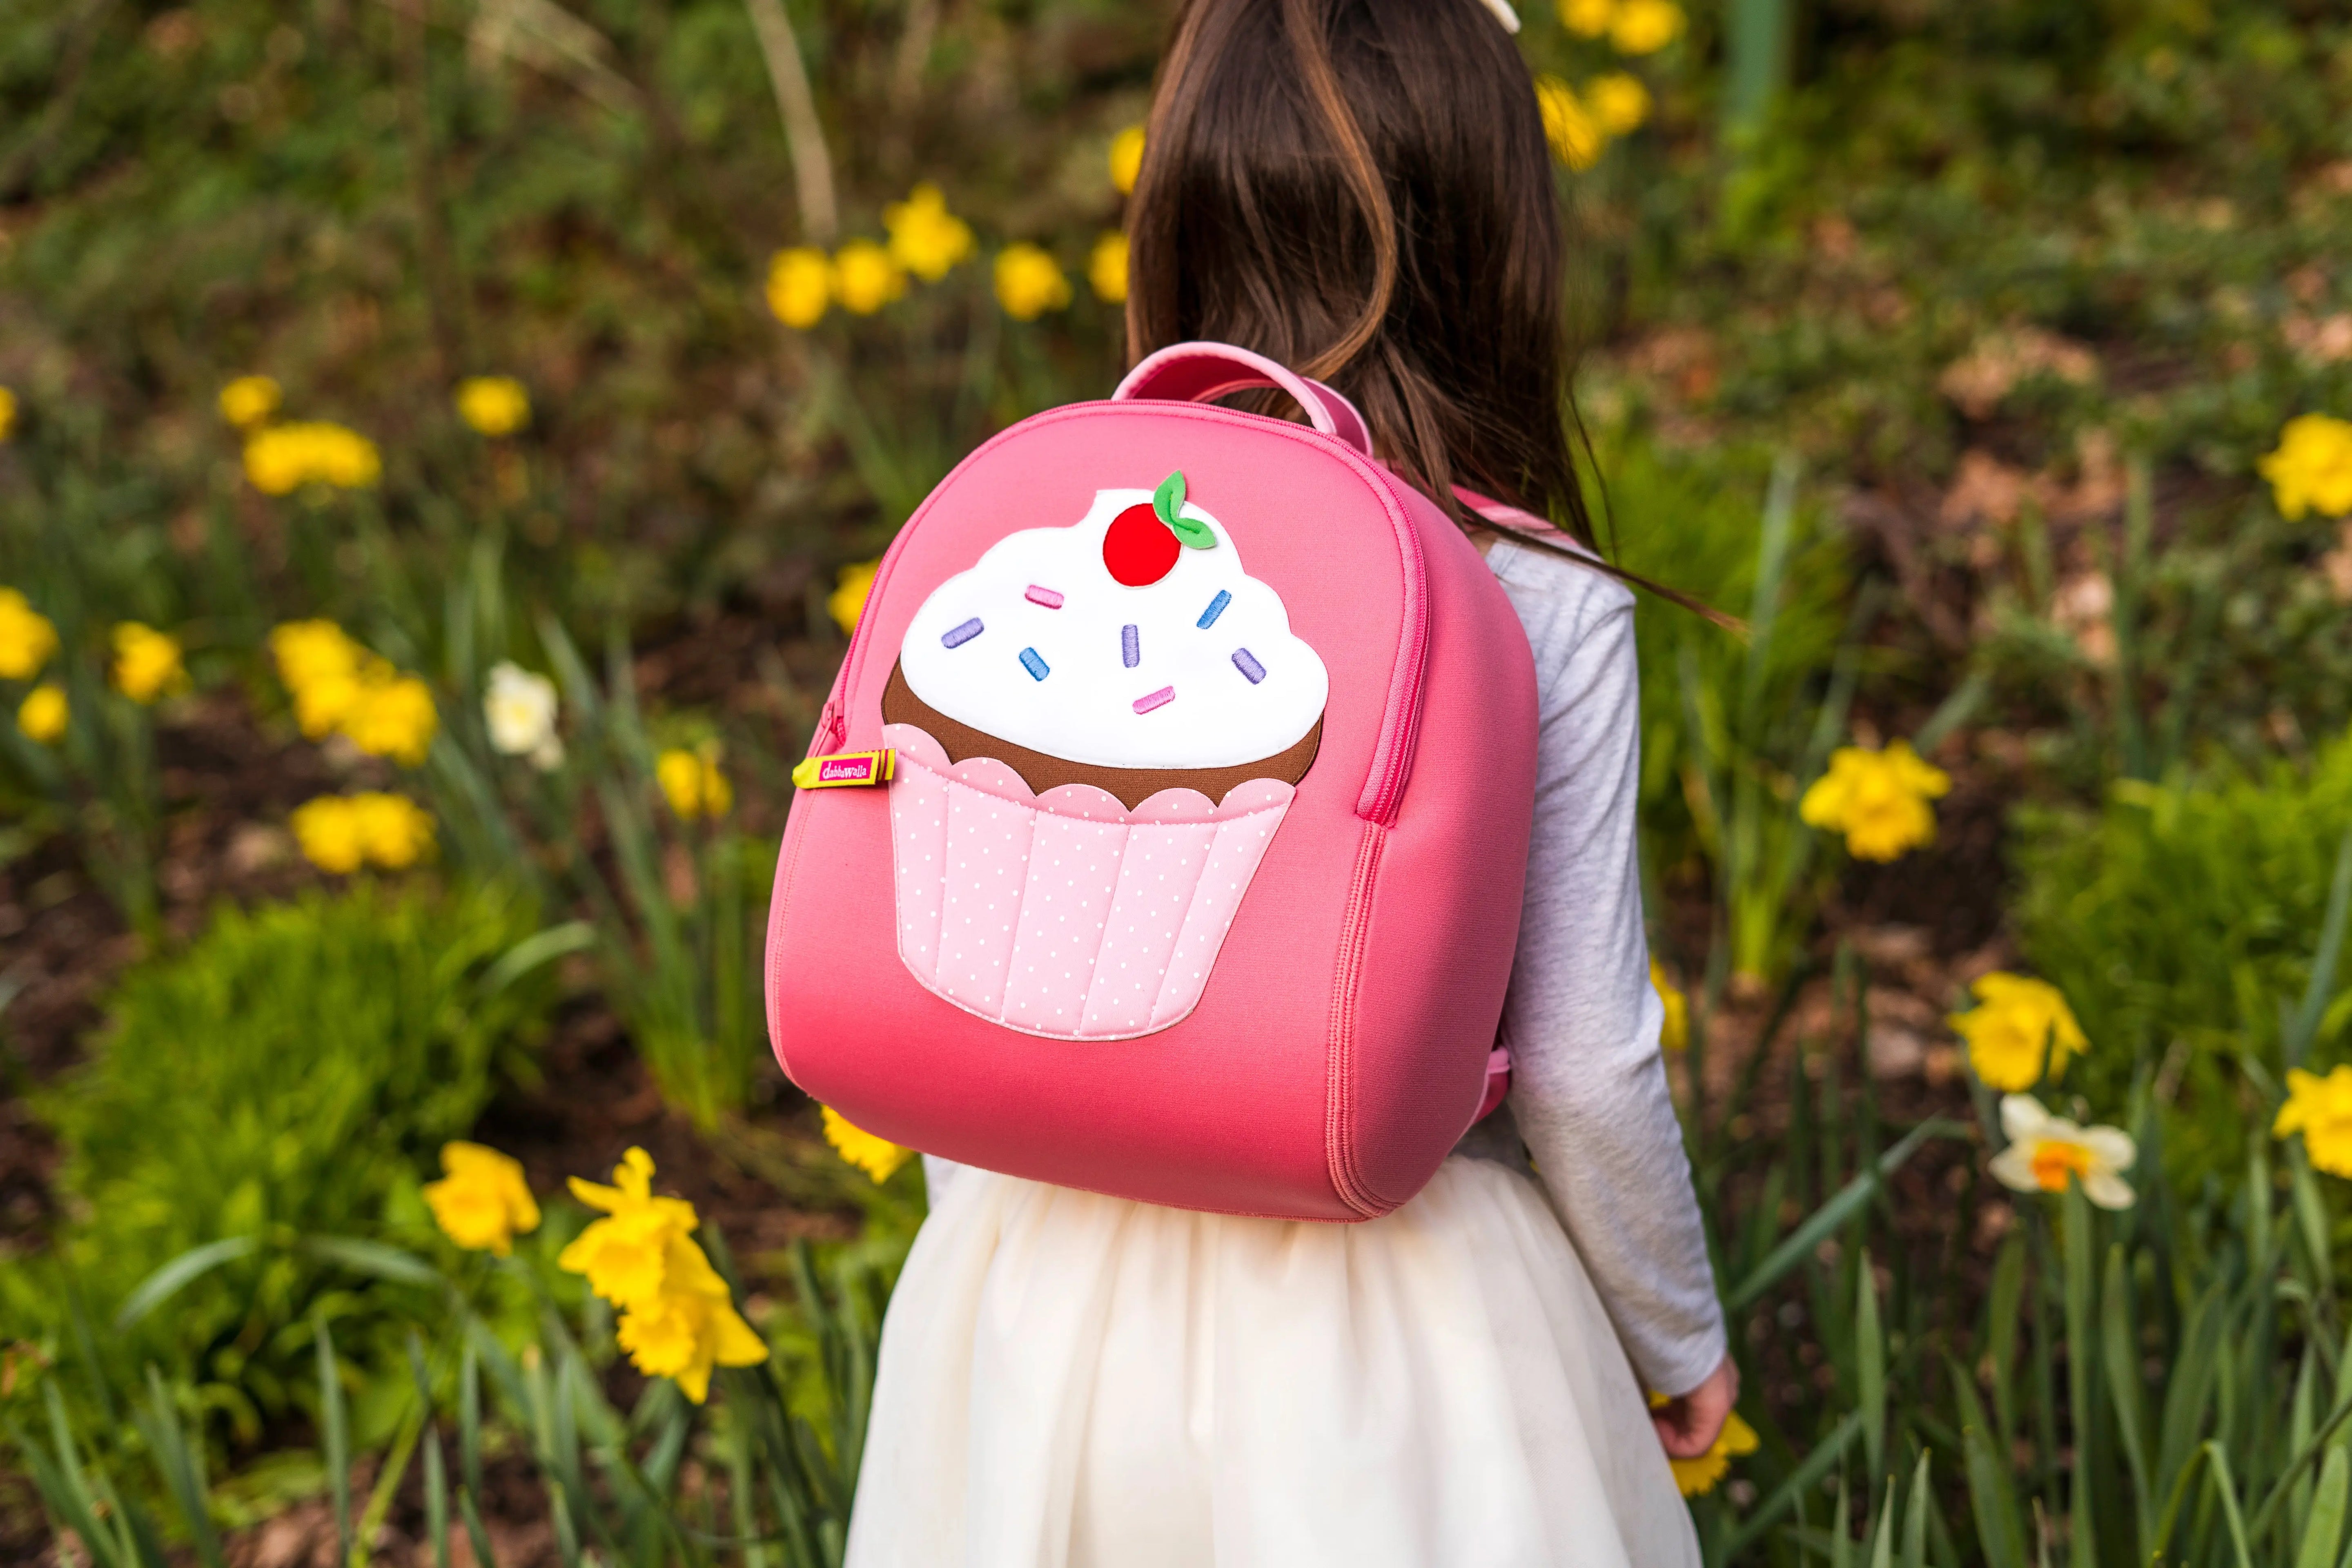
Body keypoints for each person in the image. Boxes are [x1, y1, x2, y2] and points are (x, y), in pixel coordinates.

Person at [845, 1, 1734, 1561]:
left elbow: (971, 922)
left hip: (1041, 1286)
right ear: (1500, 242)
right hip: (1394, 1316)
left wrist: (988, 1238)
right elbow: (1587, 1065)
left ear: (1174, 219)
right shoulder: (1535, 595)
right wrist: (1675, 1337)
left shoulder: (1056, 549)